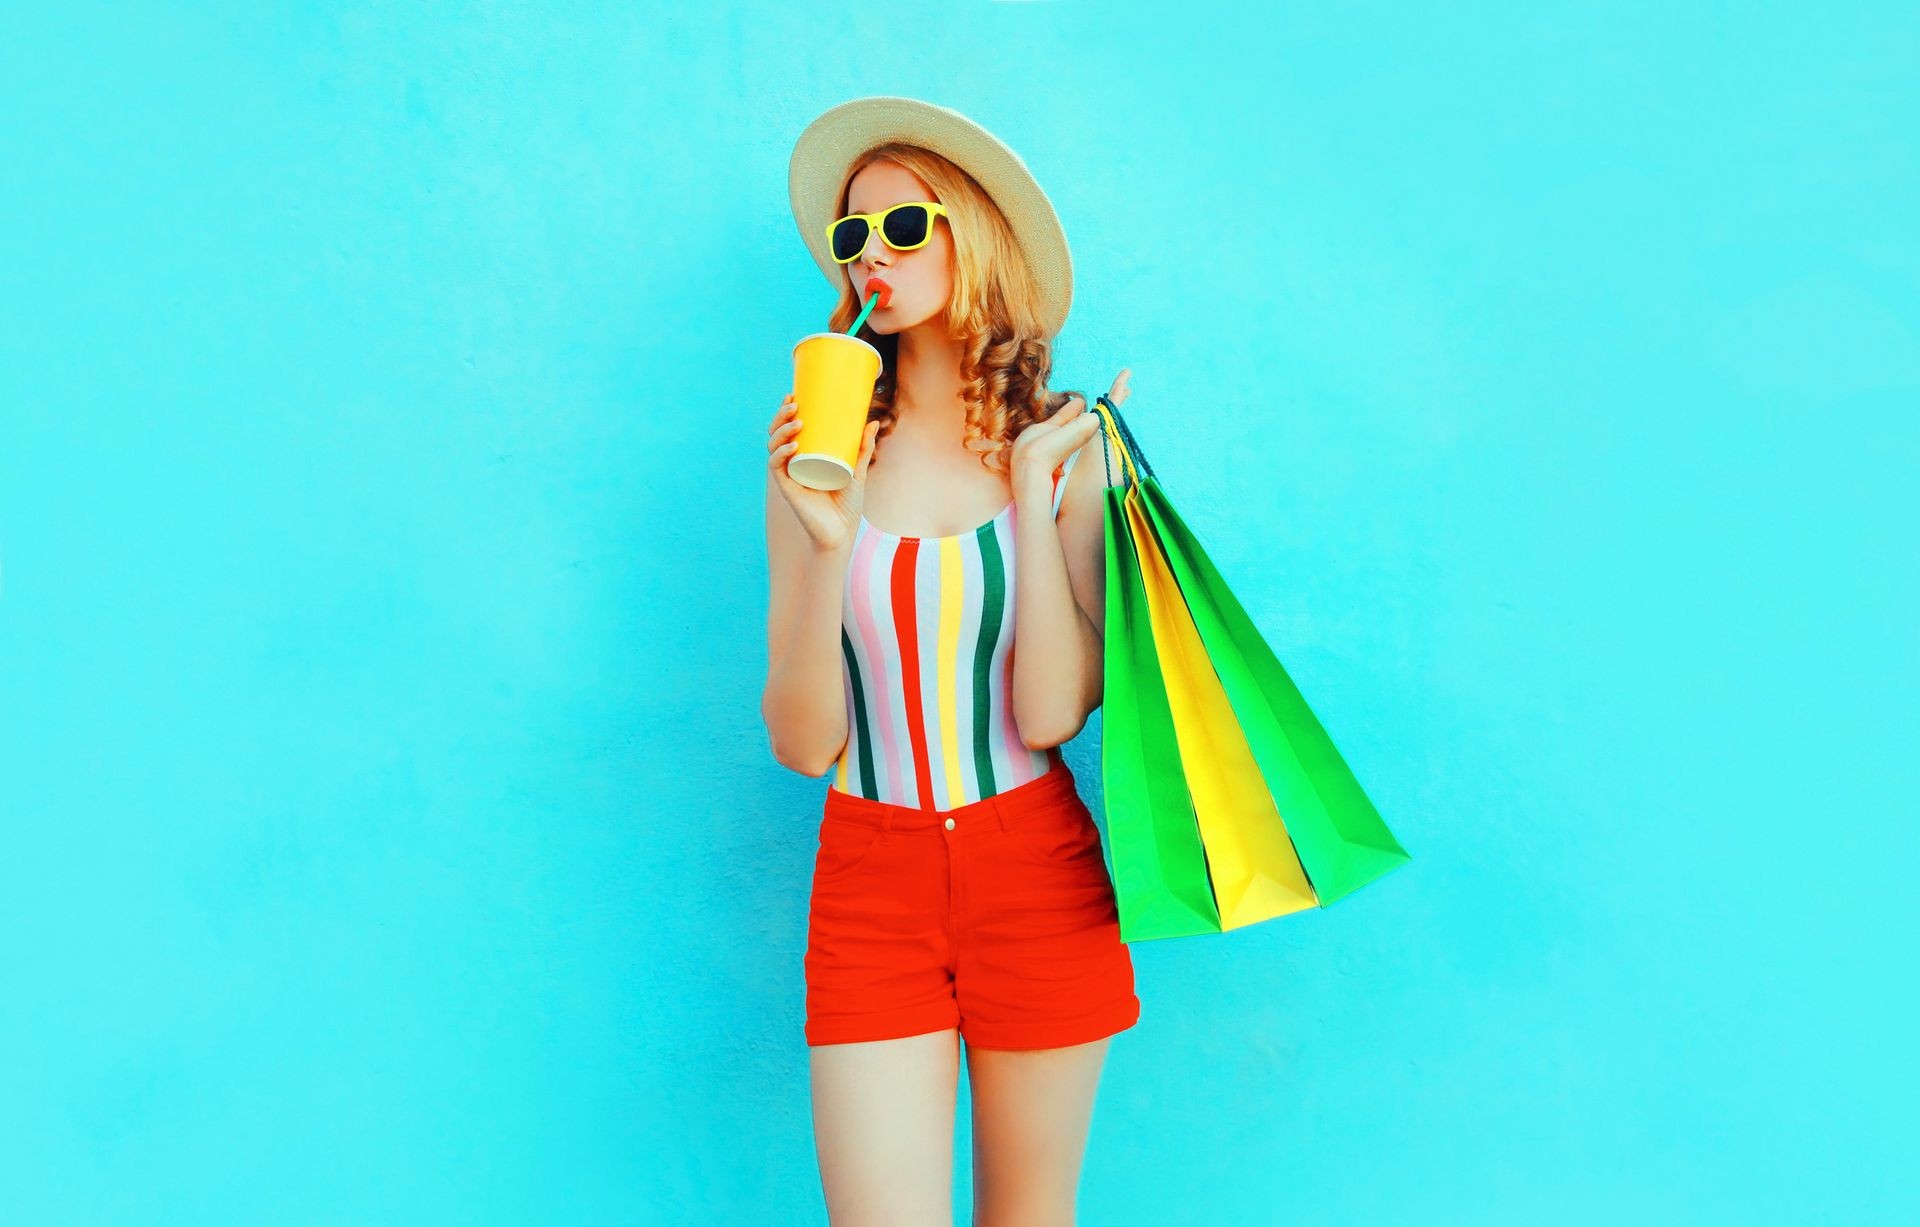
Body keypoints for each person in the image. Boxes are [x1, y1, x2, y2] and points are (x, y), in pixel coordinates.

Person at [764, 96, 1139, 1226]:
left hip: (1034, 871)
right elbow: (801, 741)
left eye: (902, 226)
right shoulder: (816, 452)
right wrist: (828, 541)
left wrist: (1034, 492)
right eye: (850, 235)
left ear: (970, 233)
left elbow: (1054, 713)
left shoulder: (1071, 449)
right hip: (871, 877)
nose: (870, 251)